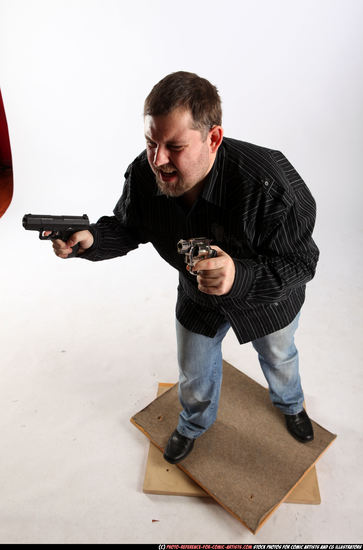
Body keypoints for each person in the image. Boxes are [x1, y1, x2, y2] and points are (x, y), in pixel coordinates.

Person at [51, 71, 319, 464]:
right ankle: (193, 424)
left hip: (268, 301)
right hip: (197, 299)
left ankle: (292, 406)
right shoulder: (145, 174)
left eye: (174, 147)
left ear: (213, 138)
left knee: (280, 359)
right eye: (150, 143)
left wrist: (239, 276)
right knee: (194, 373)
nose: (158, 160)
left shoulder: (270, 184)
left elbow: (302, 263)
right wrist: (91, 240)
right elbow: (128, 227)